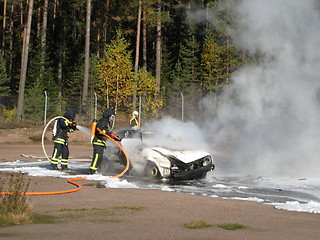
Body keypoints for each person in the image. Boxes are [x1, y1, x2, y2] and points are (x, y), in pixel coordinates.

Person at [90, 108, 121, 174]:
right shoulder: (103, 121)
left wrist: (116, 138)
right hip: (98, 141)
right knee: (97, 157)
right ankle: (91, 171)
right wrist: (109, 134)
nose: (112, 118)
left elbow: (107, 132)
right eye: (112, 116)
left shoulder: (107, 122)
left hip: (101, 142)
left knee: (100, 157)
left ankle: (95, 171)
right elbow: (101, 130)